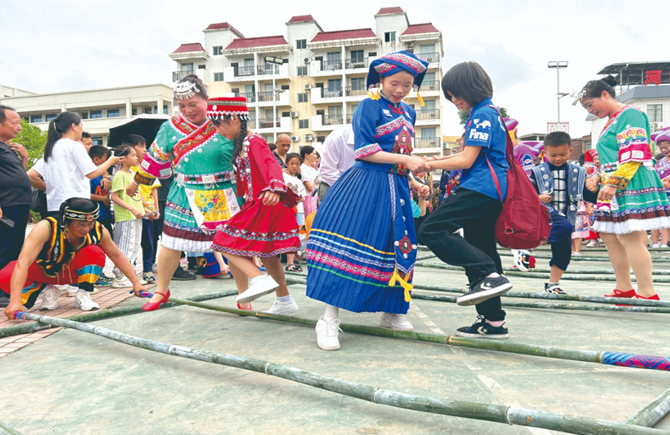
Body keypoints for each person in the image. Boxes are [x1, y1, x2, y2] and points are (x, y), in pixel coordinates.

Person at [305, 51, 430, 351]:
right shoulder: (368, 106)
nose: (400, 90)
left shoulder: (409, 113)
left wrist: (412, 180)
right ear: (381, 80)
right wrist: (408, 160)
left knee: (399, 247)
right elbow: (364, 151)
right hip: (365, 186)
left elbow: (400, 158)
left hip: (397, 189)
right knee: (349, 247)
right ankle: (328, 318)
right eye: (394, 82)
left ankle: (392, 311)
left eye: (407, 84)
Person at [127, 75, 241, 311]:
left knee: (234, 245)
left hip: (225, 193)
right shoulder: (169, 128)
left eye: (193, 104)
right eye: (181, 106)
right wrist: (137, 183)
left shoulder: (224, 122)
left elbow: (245, 153)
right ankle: (161, 290)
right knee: (170, 243)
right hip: (185, 192)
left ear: (206, 100)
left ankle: (244, 294)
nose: (187, 110)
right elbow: (155, 160)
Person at [420, 61, 512, 339]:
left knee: (430, 229)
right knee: (481, 246)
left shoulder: (482, 114)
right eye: (449, 96)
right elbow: (468, 157)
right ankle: (493, 322)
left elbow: (467, 159)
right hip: (492, 189)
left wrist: (427, 165)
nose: (453, 100)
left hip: (482, 188)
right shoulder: (489, 112)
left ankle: (489, 275)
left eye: (456, 93)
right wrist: (437, 161)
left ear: (472, 88)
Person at [579, 76, 670, 301]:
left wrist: (612, 182)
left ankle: (647, 291)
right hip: (614, 182)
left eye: (591, 104)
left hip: (629, 181)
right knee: (610, 236)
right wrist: (600, 176)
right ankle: (624, 286)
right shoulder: (612, 120)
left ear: (605, 94)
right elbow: (613, 156)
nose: (591, 110)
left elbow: (635, 152)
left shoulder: (630, 113)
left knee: (629, 236)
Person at [207, 96, 301, 314]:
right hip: (260, 202)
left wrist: (273, 188)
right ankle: (285, 301)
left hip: (264, 202)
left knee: (222, 240)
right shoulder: (241, 144)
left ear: (232, 119)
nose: (216, 130)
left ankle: (259, 279)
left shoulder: (253, 142)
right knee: (268, 254)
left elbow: (270, 165)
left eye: (217, 124)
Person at [2, 198, 149, 318]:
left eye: (90, 223)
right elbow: (23, 263)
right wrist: (14, 301)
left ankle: (83, 293)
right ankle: (46, 290)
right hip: (45, 271)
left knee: (94, 251)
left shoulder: (98, 230)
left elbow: (117, 256)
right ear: (66, 222)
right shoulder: (45, 228)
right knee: (5, 275)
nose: (86, 228)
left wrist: (136, 283)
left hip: (73, 274)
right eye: (81, 224)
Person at [528, 131, 595, 294]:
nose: (558, 158)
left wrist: (594, 192)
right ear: (545, 153)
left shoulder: (578, 172)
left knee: (564, 252)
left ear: (570, 152)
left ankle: (552, 284)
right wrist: (538, 197)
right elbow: (526, 195)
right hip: (546, 214)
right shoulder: (537, 172)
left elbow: (588, 194)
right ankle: (528, 245)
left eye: (563, 154)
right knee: (564, 226)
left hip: (568, 213)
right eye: (553, 155)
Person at [33, 112, 121, 217]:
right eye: (81, 125)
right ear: (73, 126)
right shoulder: (74, 146)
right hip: (76, 206)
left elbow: (31, 176)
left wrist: (51, 188)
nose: (82, 129)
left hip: (54, 206)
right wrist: (110, 161)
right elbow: (91, 173)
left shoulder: (51, 148)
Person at [0, 106, 31, 284]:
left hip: (19, 205)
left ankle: (6, 285)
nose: (19, 127)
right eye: (15, 123)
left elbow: (17, 176)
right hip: (7, 205)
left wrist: (24, 158)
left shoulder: (9, 149)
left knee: (15, 248)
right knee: (4, 247)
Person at [124, 134, 161, 284]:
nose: (145, 150)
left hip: (149, 211)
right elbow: (133, 190)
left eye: (146, 147)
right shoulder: (127, 168)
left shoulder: (148, 165)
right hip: (135, 210)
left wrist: (156, 209)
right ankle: (130, 270)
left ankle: (147, 271)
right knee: (132, 242)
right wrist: (143, 205)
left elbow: (154, 189)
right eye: (141, 146)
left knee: (148, 241)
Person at [110, 145, 145, 288]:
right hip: (126, 216)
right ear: (123, 158)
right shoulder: (119, 175)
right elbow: (114, 197)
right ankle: (119, 276)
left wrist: (147, 208)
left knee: (135, 246)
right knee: (126, 246)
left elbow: (137, 195)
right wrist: (131, 208)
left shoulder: (132, 174)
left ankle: (130, 275)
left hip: (136, 215)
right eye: (133, 155)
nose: (136, 158)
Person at [318, 125, 355, 204]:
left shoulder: (378, 137)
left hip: (358, 189)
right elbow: (327, 170)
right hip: (332, 186)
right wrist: (350, 189)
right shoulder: (337, 137)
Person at [283, 152, 306, 273]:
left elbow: (303, 196)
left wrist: (296, 198)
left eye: (297, 164)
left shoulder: (298, 181)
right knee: (289, 234)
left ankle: (293, 258)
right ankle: (289, 262)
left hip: (299, 210)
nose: (294, 166)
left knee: (300, 234)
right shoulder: (282, 177)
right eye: (291, 163)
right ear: (286, 163)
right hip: (286, 210)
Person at [651, 127, 670, 248]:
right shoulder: (659, 162)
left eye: (666, 147)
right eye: (661, 148)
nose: (664, 150)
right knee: (666, 220)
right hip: (663, 194)